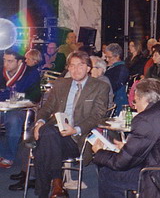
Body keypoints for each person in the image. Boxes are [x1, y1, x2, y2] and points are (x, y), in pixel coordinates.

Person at [33, 51, 110, 197]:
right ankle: (57, 185)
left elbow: (98, 116)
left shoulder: (100, 87)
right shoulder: (61, 84)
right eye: (72, 66)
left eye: (80, 65)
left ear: (88, 68)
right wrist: (39, 122)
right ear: (68, 68)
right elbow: (46, 108)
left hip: (77, 138)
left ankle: (46, 190)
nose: (75, 70)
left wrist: (75, 130)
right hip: (54, 132)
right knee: (48, 133)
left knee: (44, 141)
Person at [0, 48, 41, 168]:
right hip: (3, 107)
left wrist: (17, 95)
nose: (6, 64)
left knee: (13, 121)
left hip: (20, 108)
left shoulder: (30, 73)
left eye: (10, 61)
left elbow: (36, 95)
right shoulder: (1, 71)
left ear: (19, 62)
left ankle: (8, 156)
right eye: (4, 60)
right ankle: (2, 152)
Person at [105, 43, 129, 115]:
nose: (107, 59)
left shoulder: (122, 69)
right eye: (106, 57)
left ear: (117, 56)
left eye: (109, 57)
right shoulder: (111, 67)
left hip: (117, 100)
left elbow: (116, 85)